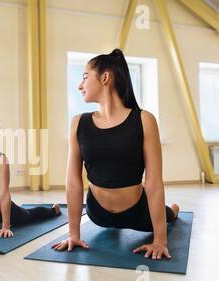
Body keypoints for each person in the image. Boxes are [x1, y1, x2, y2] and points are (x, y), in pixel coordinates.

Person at [53, 49, 179, 260]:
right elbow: (73, 183)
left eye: (85, 77)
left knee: (170, 215)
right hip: (97, 213)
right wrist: (73, 234)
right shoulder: (78, 123)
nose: (79, 85)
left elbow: (154, 183)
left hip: (139, 213)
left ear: (105, 77)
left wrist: (160, 240)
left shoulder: (144, 120)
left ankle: (174, 209)